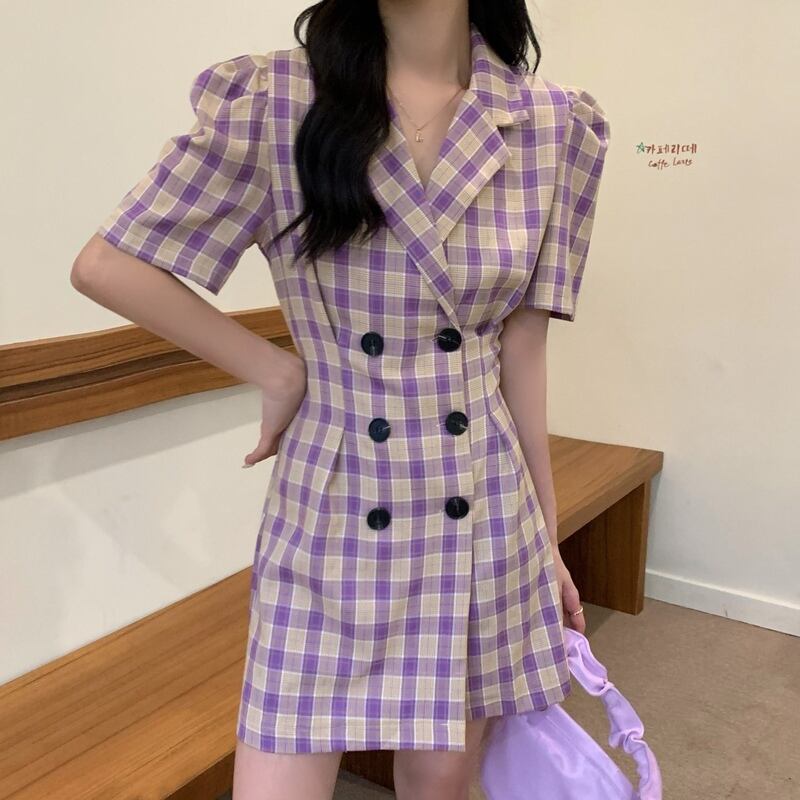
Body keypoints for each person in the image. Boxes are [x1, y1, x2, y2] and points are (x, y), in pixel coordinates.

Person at [71, 1, 611, 798]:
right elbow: (107, 264)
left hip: (484, 500)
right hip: (333, 497)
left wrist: (546, 537)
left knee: (441, 780)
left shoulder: (556, 125)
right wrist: (275, 370)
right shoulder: (275, 100)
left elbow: (523, 349)